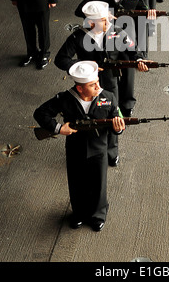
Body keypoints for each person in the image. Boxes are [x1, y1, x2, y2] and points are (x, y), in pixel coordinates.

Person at [33, 60, 125, 231]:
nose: (98, 86)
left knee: (99, 185)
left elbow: (116, 120)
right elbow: (40, 113)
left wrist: (118, 129)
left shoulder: (109, 97)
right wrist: (59, 128)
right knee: (76, 184)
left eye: (98, 82)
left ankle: (98, 215)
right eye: (92, 85)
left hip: (99, 150)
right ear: (80, 88)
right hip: (75, 149)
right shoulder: (65, 99)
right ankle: (79, 213)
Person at [54, 0, 148, 162]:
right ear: (91, 22)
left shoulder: (116, 32)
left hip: (111, 86)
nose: (108, 22)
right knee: (87, 119)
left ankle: (111, 152)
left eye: (108, 18)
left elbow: (133, 49)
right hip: (86, 87)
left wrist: (139, 59)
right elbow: (60, 59)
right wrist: (84, 67)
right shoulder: (78, 36)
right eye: (103, 20)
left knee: (113, 119)